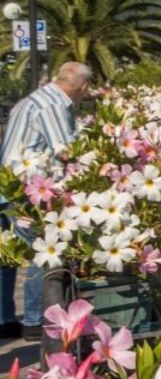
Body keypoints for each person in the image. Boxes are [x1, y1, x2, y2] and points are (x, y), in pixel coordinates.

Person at [1, 61, 92, 341]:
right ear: (83, 86)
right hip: (28, 188)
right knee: (40, 252)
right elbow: (65, 150)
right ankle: (33, 320)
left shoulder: (37, 99)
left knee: (7, 255)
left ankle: (4, 320)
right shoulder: (52, 105)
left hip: (8, 184)